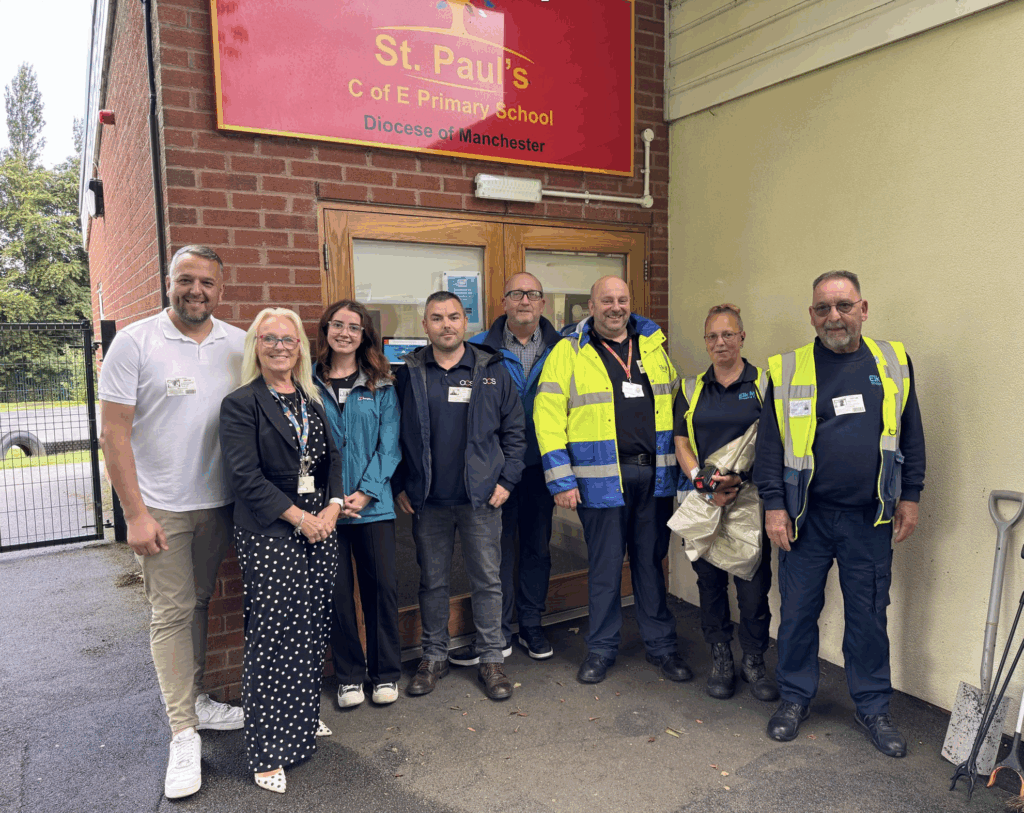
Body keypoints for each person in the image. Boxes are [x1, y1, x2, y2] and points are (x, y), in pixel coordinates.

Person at [753, 271, 925, 758]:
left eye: (843, 306)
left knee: (869, 616)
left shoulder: (893, 362)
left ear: (863, 309)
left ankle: (872, 707)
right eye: (823, 309)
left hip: (869, 520)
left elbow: (911, 434)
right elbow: (771, 448)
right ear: (811, 315)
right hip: (805, 519)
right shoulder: (787, 369)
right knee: (798, 614)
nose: (834, 317)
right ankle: (794, 698)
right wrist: (773, 507)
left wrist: (910, 496)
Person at [98, 245, 245, 800]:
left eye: (207, 282)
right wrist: (134, 513)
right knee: (170, 612)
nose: (196, 291)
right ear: (169, 282)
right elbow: (114, 434)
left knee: (200, 600)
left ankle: (200, 700)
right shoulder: (135, 342)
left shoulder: (237, 342)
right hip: (160, 506)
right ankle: (182, 731)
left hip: (220, 503)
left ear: (220, 289)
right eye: (186, 280)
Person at [534, 275, 688, 685]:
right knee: (604, 568)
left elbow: (675, 408)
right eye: (607, 301)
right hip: (600, 477)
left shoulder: (653, 346)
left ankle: (662, 647)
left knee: (650, 564)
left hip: (654, 475)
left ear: (630, 302)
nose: (615, 307)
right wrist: (560, 478)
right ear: (592, 306)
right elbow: (547, 418)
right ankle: (601, 649)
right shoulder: (568, 352)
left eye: (622, 299)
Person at [219, 308, 344, 793]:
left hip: (319, 527)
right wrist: (300, 518)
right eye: (268, 338)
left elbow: (332, 459)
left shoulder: (310, 398)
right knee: (274, 637)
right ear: (256, 345)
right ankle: (267, 749)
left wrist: (331, 509)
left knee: (312, 628)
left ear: (300, 347)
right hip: (272, 532)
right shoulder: (241, 403)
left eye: (287, 339)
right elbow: (244, 478)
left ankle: (302, 719)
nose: (279, 346)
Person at [393, 291, 526, 701]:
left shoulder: (493, 369)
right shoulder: (409, 372)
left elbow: (516, 433)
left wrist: (507, 481)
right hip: (428, 501)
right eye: (437, 318)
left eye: (453, 316)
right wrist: (400, 483)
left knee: (487, 580)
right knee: (432, 582)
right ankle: (434, 656)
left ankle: (491, 658)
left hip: (483, 499)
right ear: (425, 325)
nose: (446, 324)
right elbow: (393, 432)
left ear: (465, 321)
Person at [449, 272, 563, 663]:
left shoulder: (564, 348)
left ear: (543, 303)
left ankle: (531, 624)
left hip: (544, 467)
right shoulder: (479, 346)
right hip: (495, 470)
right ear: (504, 302)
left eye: (532, 294)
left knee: (536, 547)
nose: (525, 301)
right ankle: (496, 632)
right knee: (493, 552)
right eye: (516, 294)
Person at [673, 304, 778, 702]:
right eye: (713, 336)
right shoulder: (691, 387)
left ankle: (754, 660)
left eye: (728, 335)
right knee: (710, 583)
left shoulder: (765, 385)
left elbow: (773, 444)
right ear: (705, 342)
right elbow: (680, 440)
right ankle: (721, 659)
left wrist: (741, 479)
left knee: (753, 586)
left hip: (749, 501)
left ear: (742, 337)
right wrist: (702, 480)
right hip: (705, 498)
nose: (720, 343)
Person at [313, 300, 402, 708]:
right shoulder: (307, 381)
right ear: (326, 329)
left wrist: (366, 491)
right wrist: (331, 497)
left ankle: (385, 674)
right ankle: (349, 676)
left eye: (354, 326)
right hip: (325, 510)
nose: (345, 333)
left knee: (380, 590)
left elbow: (390, 446)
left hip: (374, 507)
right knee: (336, 594)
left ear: (364, 333)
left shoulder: (380, 382)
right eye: (338, 325)